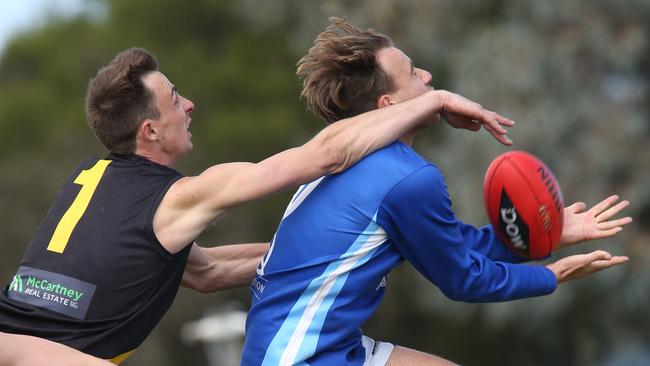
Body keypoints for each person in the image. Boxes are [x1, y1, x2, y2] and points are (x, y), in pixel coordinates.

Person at [0, 46, 515, 365]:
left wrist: (327, 257)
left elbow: (204, 272)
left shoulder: (90, 180)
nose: (189, 104)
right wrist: (433, 100)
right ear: (149, 130)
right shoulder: (181, 196)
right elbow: (327, 154)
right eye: (175, 98)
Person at [241, 18, 633, 366]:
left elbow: (455, 243)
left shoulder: (348, 162)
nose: (427, 76)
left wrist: (541, 237)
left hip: (313, 346)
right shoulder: (405, 178)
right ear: (388, 104)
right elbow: (462, 279)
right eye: (412, 73)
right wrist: (550, 276)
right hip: (297, 357)